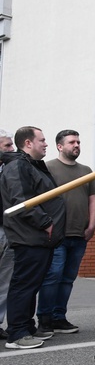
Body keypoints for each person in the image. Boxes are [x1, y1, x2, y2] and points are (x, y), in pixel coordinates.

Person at [1, 127, 66, 349]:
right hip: (29, 236)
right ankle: (17, 333)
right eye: (42, 140)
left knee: (31, 284)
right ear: (28, 143)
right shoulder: (18, 166)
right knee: (24, 284)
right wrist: (46, 223)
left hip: (38, 237)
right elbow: (21, 201)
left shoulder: (31, 165)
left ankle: (26, 327)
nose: (46, 144)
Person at [37, 130, 95, 335]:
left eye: (79, 142)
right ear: (60, 146)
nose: (77, 145)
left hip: (79, 234)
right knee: (52, 276)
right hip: (57, 234)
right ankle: (44, 319)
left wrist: (92, 225)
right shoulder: (47, 168)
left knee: (67, 279)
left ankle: (59, 317)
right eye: (72, 142)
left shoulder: (87, 170)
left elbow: (93, 200)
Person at [0, 130, 17, 340]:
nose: (12, 150)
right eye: (7, 146)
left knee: (5, 281)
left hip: (8, 231)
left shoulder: (10, 170)